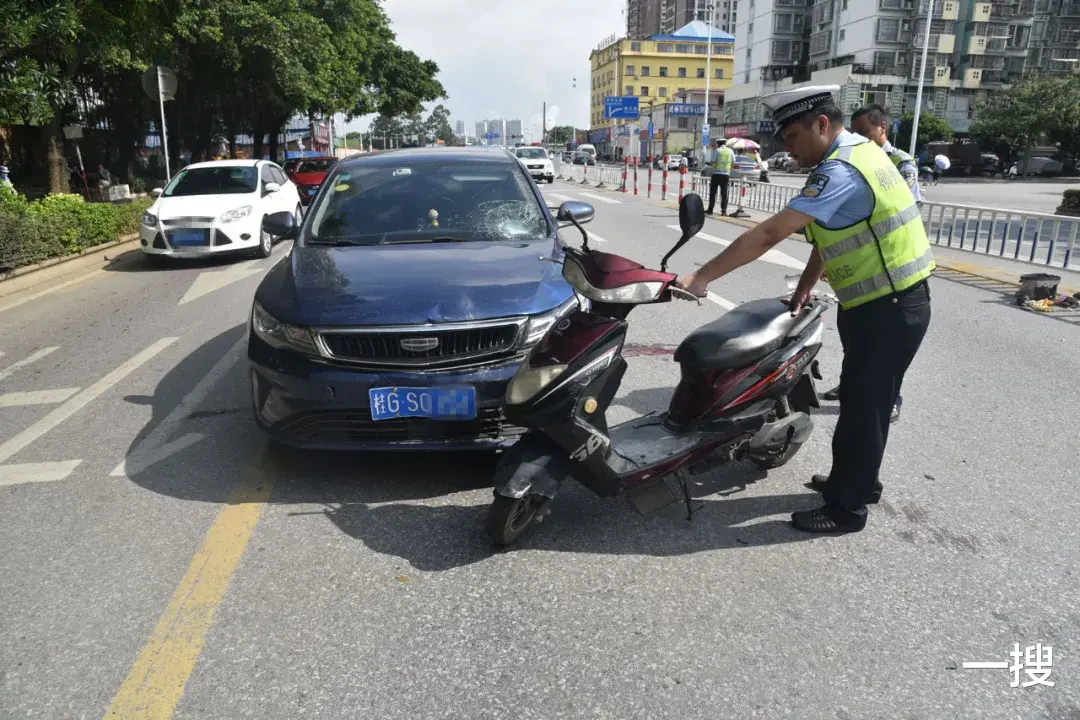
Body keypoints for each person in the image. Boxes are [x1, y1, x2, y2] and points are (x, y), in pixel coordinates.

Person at [674, 85, 934, 534]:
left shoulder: (839, 171)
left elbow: (767, 235)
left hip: (888, 308)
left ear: (821, 125)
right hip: (881, 304)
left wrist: (701, 278)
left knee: (864, 410)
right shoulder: (862, 153)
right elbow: (835, 229)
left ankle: (846, 510)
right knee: (860, 401)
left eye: (792, 137)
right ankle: (855, 482)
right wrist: (807, 286)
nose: (786, 148)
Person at [817, 103, 923, 422]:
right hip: (858, 271)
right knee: (853, 337)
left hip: (889, 270)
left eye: (864, 131)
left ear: (882, 129)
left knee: (887, 353)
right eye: (855, 132)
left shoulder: (899, 162)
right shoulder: (853, 159)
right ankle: (850, 384)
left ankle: (891, 397)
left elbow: (898, 210)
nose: (859, 137)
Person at [705, 138, 735, 216]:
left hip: (716, 174)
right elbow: (733, 162)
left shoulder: (717, 151)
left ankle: (710, 210)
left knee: (713, 193)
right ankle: (723, 211)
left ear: (718, 144)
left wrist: (709, 163)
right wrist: (729, 170)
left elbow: (712, 162)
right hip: (726, 175)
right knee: (724, 194)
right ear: (725, 143)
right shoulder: (730, 151)